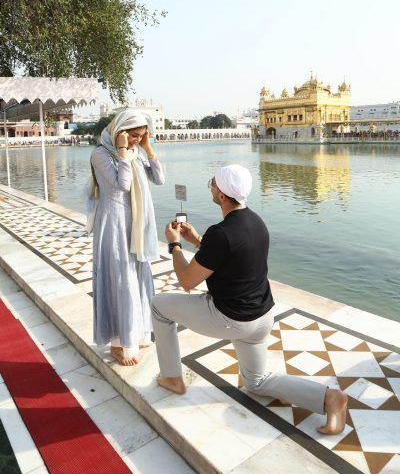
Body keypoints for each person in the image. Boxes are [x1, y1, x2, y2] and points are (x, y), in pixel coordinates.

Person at [151, 164, 348, 434]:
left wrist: (174, 244)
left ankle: (172, 378)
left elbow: (187, 281)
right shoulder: (256, 222)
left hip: (231, 319)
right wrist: (198, 241)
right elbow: (232, 256)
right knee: (255, 383)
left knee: (159, 306)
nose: (210, 185)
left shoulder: (220, 233)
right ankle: (329, 397)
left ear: (221, 195)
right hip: (262, 317)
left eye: (212, 183)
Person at [87, 108, 165, 366]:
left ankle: (136, 334)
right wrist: (122, 152)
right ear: (119, 131)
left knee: (137, 279)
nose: (136, 141)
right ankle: (119, 342)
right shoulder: (101, 154)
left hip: (136, 227)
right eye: (133, 135)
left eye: (141, 136)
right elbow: (123, 185)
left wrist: (148, 149)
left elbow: (160, 179)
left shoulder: (136, 154)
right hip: (114, 225)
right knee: (120, 279)